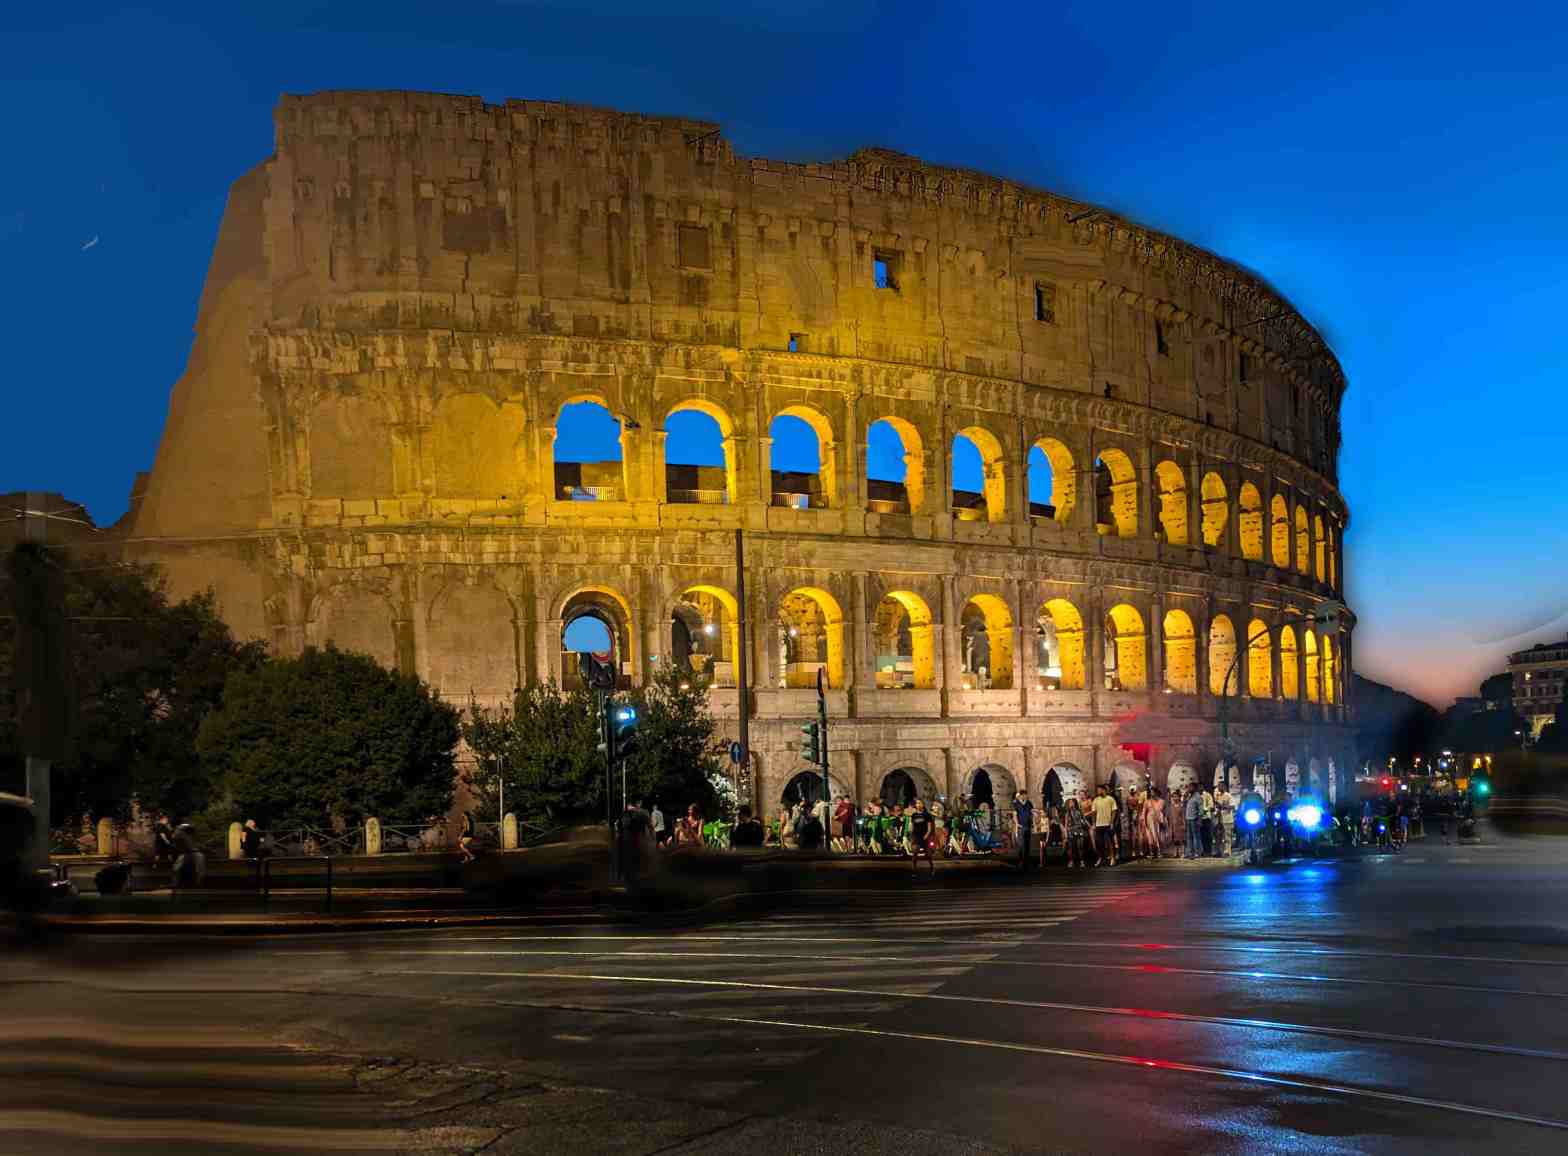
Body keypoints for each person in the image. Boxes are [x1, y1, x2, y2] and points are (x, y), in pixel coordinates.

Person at [907, 798, 937, 877]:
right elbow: (912, 826)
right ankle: (914, 870)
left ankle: (932, 868)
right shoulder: (914, 815)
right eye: (917, 803)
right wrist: (911, 835)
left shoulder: (927, 815)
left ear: (923, 805)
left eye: (920, 803)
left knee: (928, 854)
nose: (918, 805)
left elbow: (929, 827)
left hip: (924, 836)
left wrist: (926, 836)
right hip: (916, 836)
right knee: (914, 854)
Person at [1091, 785, 1118, 866]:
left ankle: (1112, 858)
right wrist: (1094, 824)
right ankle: (1100, 858)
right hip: (1099, 824)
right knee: (1099, 843)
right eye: (1097, 790)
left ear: (1103, 790)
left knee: (1110, 842)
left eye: (1099, 790)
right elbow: (1093, 812)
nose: (1098, 791)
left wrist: (1112, 822)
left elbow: (1114, 811)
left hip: (1108, 824)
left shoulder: (1110, 799)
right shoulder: (1096, 800)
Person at [1012, 790, 1035, 870]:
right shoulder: (1016, 804)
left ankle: (1027, 861)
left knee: (1027, 844)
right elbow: (1015, 815)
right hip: (1021, 827)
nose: (1026, 796)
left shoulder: (1029, 803)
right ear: (1021, 795)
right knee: (1021, 845)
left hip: (1028, 826)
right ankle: (1021, 861)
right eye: (1024, 795)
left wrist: (1033, 823)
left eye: (1026, 795)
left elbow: (1031, 813)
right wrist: (1017, 823)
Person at [1065, 797, 1089, 868]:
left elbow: (1084, 819)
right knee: (1071, 847)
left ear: (1075, 803)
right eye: (1069, 803)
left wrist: (1089, 826)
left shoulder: (1079, 811)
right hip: (1071, 831)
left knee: (1080, 846)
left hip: (1079, 829)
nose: (1070, 804)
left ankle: (1082, 861)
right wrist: (1066, 833)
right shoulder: (1067, 813)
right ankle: (1071, 861)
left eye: (1072, 802)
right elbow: (1066, 824)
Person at [1215, 784, 1235, 857]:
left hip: (1227, 819)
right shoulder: (1218, 796)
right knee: (1219, 836)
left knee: (1227, 836)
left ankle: (1227, 851)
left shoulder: (1228, 796)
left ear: (1224, 787)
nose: (1219, 788)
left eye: (1220, 786)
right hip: (1219, 819)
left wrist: (1223, 806)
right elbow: (1217, 807)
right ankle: (1219, 851)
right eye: (1218, 786)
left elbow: (1232, 806)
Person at [1183, 788, 1202, 859]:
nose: (1189, 788)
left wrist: (1199, 820)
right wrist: (1185, 797)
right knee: (1189, 837)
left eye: (1190, 787)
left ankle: (1197, 852)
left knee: (1195, 836)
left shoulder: (1197, 796)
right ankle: (1190, 852)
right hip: (1188, 818)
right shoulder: (1189, 796)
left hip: (1194, 819)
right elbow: (1184, 805)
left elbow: (1200, 809)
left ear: (1194, 787)